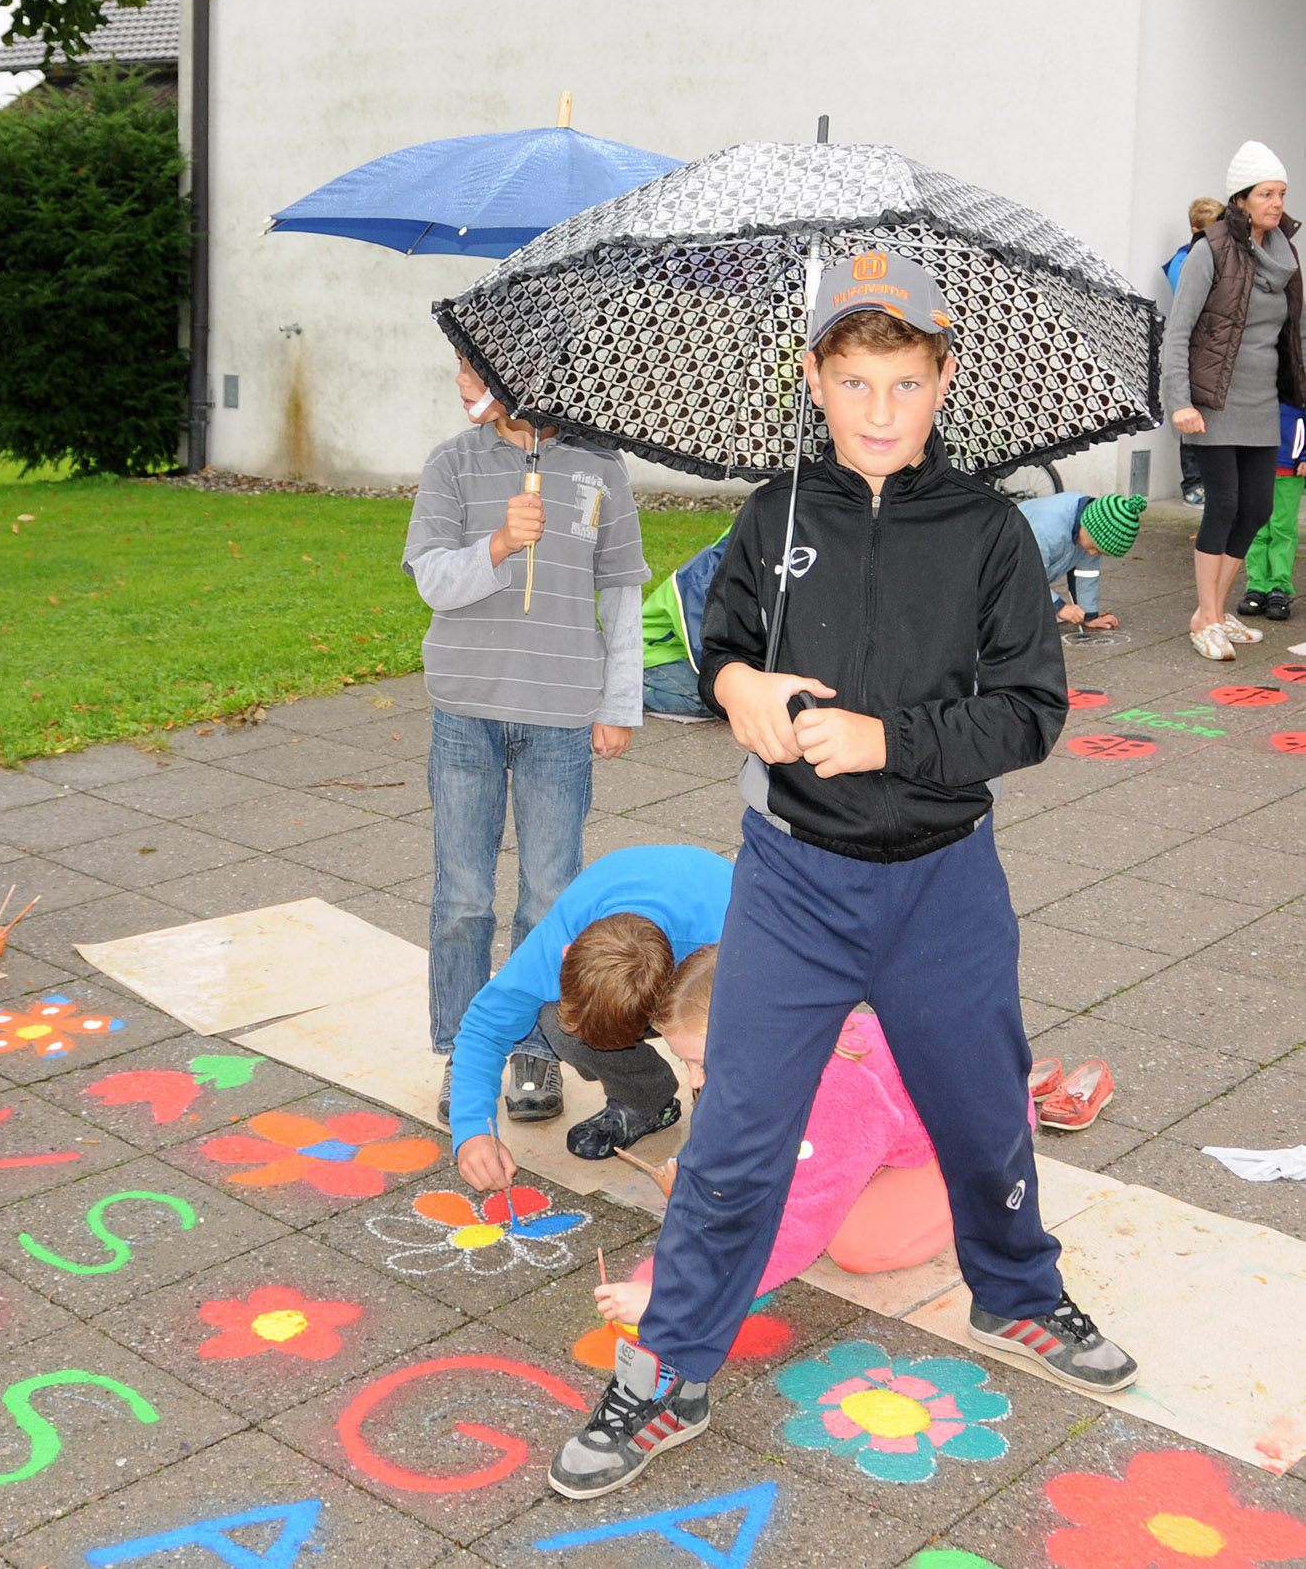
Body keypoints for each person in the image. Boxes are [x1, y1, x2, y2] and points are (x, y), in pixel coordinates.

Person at [542, 252, 1134, 1505]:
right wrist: (736, 685)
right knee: (737, 1133)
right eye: (854, 380)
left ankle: (1016, 1291)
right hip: (793, 880)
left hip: (940, 880)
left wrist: (887, 740)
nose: (878, 408)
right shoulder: (774, 514)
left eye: (904, 382)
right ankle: (670, 1369)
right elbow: (716, 637)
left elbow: (1030, 710)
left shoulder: (984, 529)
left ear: (942, 379)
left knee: (981, 1104)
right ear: (812, 377)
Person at [405, 353, 649, 1131]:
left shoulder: (598, 469)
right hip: (465, 709)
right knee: (462, 897)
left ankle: (533, 1049)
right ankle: (463, 1049)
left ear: (522, 374)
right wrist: (500, 545)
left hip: (559, 716)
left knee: (548, 897)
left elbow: (620, 592)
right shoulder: (450, 464)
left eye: (471, 370)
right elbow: (431, 581)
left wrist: (618, 703)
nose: (459, 383)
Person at [585, 953, 990, 1329]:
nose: (693, 1079)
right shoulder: (771, 1051)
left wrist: (676, 1299)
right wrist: (654, 1279)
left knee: (856, 1243)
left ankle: (984, 1200)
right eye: (684, 1062)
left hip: (965, 1140)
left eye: (703, 1063)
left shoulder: (835, 1090)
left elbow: (801, 1225)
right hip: (889, 1123)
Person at [447, 843, 730, 1161]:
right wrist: (473, 1130)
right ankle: (645, 1099)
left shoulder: (731, 940)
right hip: (669, 924)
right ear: (567, 954)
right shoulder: (557, 937)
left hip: (711, 933)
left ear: (664, 995)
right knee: (557, 1024)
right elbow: (485, 1028)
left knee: (724, 1059)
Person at [1162, 144, 1303, 661]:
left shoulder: (1286, 256)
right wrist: (1179, 401)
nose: (1277, 202)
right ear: (1240, 199)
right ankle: (1205, 617)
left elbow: (1294, 335)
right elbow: (1179, 331)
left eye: (1281, 193)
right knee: (1224, 504)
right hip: (1214, 400)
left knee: (1258, 507)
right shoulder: (1212, 249)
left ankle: (1215, 614)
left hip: (1263, 401)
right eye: (1266, 194)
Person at [1166, 196, 1226, 510]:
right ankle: (1192, 484)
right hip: (1195, 354)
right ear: (1195, 230)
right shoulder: (1184, 262)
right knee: (1190, 423)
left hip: (1215, 355)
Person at [1017, 492, 1144, 631]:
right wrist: (1059, 607)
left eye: (1099, 552)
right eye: (1095, 548)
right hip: (1001, 570)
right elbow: (1026, 573)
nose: (1093, 553)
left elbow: (1087, 574)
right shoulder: (1045, 532)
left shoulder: (1090, 523)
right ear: (1093, 529)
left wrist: (1088, 615)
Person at [639, 534, 728, 720]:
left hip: (679, 652)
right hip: (654, 653)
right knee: (706, 698)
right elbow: (704, 651)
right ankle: (625, 693)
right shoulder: (700, 582)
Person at [1239, 402, 1305, 620]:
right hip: (1255, 464)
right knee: (1255, 529)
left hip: (1289, 468)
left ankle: (1279, 585)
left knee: (1283, 529)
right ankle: (1257, 584)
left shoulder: (1297, 389)